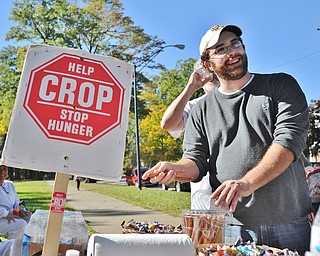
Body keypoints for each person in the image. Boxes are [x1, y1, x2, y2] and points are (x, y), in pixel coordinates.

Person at [143, 24, 312, 254]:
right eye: (221, 49)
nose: (232, 51)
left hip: (290, 224)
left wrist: (246, 184)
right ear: (207, 64)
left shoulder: (280, 85)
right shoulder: (200, 109)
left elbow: (289, 141)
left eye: (235, 43)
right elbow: (195, 161)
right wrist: (175, 169)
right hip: (235, 228)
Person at [160, 65, 218, 209]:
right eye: (206, 71)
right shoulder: (196, 106)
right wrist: (190, 88)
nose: (211, 75)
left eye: (214, 69)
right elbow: (169, 124)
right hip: (204, 198)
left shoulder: (244, 98)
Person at [0, 164, 28, 256]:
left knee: (30, 218)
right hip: (2, 217)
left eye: (5, 169)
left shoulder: (10, 184)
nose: (2, 172)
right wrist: (6, 214)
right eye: (0, 169)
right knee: (20, 224)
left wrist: (22, 210)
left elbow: (17, 201)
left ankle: (25, 249)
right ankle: (13, 251)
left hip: (11, 214)